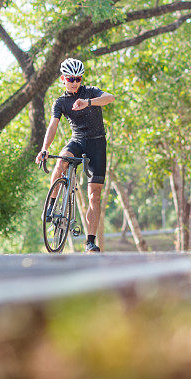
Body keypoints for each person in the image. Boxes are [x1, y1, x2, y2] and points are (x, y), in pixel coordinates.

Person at [35, 58, 115, 253]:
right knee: (61, 162)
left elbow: (110, 98)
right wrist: (44, 148)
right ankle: (51, 206)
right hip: (78, 140)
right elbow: (53, 125)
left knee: (94, 195)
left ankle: (89, 241)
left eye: (78, 79)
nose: (75, 83)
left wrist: (88, 102)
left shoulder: (90, 92)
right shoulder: (61, 102)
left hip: (97, 142)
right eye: (71, 79)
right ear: (63, 79)